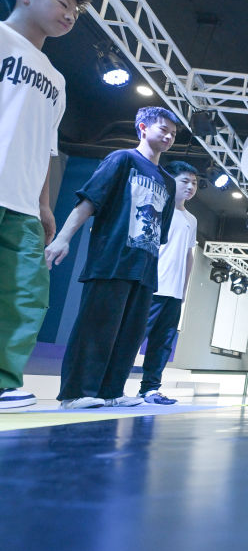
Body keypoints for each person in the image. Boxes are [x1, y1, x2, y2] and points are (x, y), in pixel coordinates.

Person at [46, 106, 178, 409]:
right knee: (95, 329)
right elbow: (90, 200)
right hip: (112, 260)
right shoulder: (122, 159)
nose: (169, 136)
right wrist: (64, 237)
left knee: (130, 335)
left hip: (145, 268)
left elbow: (161, 231)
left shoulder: (168, 182)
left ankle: (111, 391)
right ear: (143, 128)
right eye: (163, 129)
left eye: (173, 133)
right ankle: (75, 393)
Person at [0, 0, 88, 410]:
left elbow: (46, 148)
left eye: (76, 11)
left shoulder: (56, 79)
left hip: (23, 203)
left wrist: (46, 205)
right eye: (63, 3)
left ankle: (3, 382)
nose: (70, 16)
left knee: (25, 296)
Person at [135, 160, 199, 404]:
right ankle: (111, 387)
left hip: (174, 293)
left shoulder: (191, 219)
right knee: (133, 338)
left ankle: (150, 389)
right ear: (170, 180)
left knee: (162, 344)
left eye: (194, 183)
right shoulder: (155, 207)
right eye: (185, 181)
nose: (190, 187)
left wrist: (184, 290)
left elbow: (189, 255)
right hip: (151, 286)